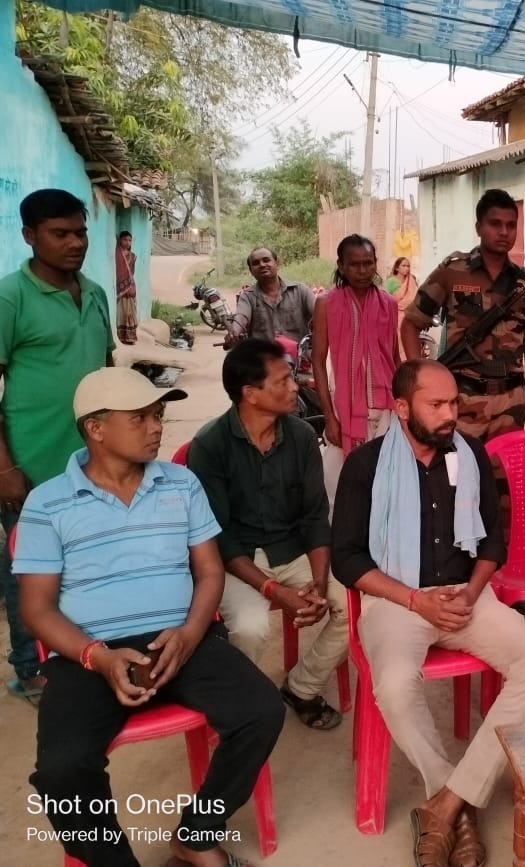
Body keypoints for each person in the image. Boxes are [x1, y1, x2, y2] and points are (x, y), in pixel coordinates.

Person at [15, 367, 284, 867]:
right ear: (96, 428)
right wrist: (97, 657)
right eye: (139, 418)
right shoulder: (47, 504)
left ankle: (197, 834)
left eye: (157, 415)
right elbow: (36, 608)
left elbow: (209, 572)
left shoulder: (181, 484)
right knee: (62, 770)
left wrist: (191, 633)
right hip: (88, 655)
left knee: (262, 711)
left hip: (182, 640)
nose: (157, 427)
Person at [332, 359, 525, 867]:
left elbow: (492, 542)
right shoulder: (365, 465)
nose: (450, 414)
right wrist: (415, 600)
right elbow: (346, 559)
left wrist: (472, 593)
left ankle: (448, 804)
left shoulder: (469, 453)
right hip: (397, 598)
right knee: (393, 684)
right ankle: (452, 797)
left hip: (464, 596)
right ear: (402, 407)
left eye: (453, 402)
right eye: (435, 405)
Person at [188, 339, 348, 731]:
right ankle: (243, 712)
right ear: (251, 394)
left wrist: (318, 582)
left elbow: (315, 516)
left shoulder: (302, 436)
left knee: (354, 606)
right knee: (250, 626)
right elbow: (218, 537)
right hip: (236, 560)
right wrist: (275, 591)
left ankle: (301, 687)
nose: (295, 387)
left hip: (292, 550)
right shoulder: (209, 446)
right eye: (282, 381)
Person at [0, 188, 115, 703]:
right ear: (30, 236)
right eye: (60, 233)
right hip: (31, 464)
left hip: (93, 463)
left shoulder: (95, 293)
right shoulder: (10, 297)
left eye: (80, 232)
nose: (75, 243)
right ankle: (30, 669)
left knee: (91, 561)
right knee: (30, 572)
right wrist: (5, 468)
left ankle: (85, 652)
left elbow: (107, 375)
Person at [400, 188, 525, 439]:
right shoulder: (453, 270)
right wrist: (421, 383)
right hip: (461, 400)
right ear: (478, 227)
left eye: (511, 225)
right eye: (495, 224)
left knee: (503, 466)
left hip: (511, 402)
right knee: (456, 463)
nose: (504, 232)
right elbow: (411, 324)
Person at [313, 234, 402, 507]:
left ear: (376, 263)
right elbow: (318, 360)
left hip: (386, 406)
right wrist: (329, 417)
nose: (362, 271)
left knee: (385, 481)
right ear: (341, 266)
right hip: (344, 406)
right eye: (354, 264)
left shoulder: (389, 303)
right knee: (336, 485)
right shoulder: (326, 303)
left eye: (368, 263)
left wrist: (405, 404)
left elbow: (394, 358)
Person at [226, 247, 316, 348]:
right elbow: (242, 317)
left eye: (266, 260)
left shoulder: (300, 290)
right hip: (263, 356)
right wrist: (234, 333)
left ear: (277, 264)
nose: (262, 265)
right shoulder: (247, 296)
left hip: (298, 356)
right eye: (256, 263)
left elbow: (319, 315)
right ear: (251, 271)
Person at [114, 230, 138, 345]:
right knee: (121, 311)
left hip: (130, 287)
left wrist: (130, 286)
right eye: (125, 240)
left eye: (130, 240)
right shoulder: (116, 254)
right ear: (120, 240)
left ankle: (130, 337)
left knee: (130, 311)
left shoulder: (132, 256)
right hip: (120, 288)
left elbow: (132, 272)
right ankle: (121, 336)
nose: (128, 242)